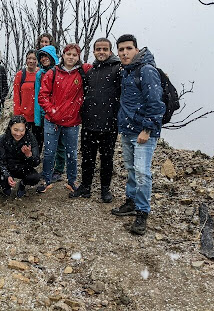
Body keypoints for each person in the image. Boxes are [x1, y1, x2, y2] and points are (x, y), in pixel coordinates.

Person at [111, 34, 165, 236]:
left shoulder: (147, 71)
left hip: (143, 132)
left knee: (142, 173)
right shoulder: (127, 71)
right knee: (132, 169)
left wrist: (147, 129)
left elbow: (156, 103)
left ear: (137, 49)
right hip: (127, 130)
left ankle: (142, 212)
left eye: (128, 48)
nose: (124, 53)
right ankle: (131, 201)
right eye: (121, 49)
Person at [70, 38, 121, 203]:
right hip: (90, 123)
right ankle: (85, 187)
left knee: (106, 159)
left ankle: (105, 189)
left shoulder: (117, 69)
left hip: (109, 124)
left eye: (105, 49)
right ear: (93, 51)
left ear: (110, 51)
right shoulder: (90, 72)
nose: (101, 52)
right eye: (98, 49)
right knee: (87, 158)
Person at [37, 43, 92, 194]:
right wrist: (52, 111)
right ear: (63, 55)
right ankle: (46, 180)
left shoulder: (83, 72)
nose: (71, 57)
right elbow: (42, 96)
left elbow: (100, 68)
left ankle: (72, 181)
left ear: (78, 57)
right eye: (69, 54)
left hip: (72, 121)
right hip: (52, 120)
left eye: (75, 55)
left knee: (72, 153)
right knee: (49, 152)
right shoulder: (53, 73)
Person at [34, 34, 66, 184]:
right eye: (41, 56)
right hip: (45, 114)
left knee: (60, 143)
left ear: (52, 56)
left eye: (46, 56)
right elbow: (38, 95)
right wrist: (38, 116)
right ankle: (48, 170)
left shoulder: (60, 71)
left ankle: (59, 169)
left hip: (60, 113)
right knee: (49, 145)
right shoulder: (40, 74)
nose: (43, 59)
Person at [0, 115, 41, 198]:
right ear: (10, 127)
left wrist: (29, 156)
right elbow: (0, 161)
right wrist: (7, 175)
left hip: (23, 167)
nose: (18, 134)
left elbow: (36, 162)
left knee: (35, 177)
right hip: (8, 166)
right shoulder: (2, 139)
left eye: (21, 130)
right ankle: (5, 185)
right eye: (15, 130)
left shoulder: (30, 139)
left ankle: (22, 184)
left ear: (25, 129)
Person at [13, 49, 43, 151]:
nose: (31, 61)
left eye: (34, 59)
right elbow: (16, 95)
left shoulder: (41, 74)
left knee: (38, 140)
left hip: (37, 115)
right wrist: (17, 114)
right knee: (22, 140)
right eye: (29, 58)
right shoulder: (20, 75)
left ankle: (35, 160)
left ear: (38, 60)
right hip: (23, 115)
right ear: (26, 60)